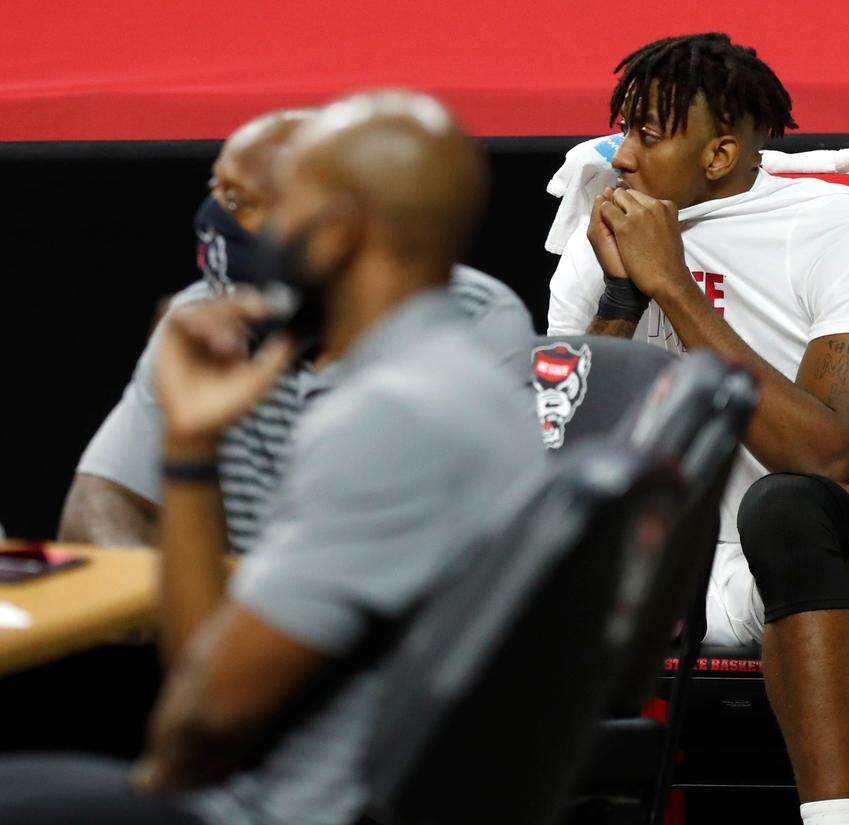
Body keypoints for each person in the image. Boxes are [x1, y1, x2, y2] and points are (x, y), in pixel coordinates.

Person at [0, 91, 541, 825]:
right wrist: (191, 449)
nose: (237, 230)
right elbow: (206, 679)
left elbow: (210, 713)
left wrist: (159, 785)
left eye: (277, 207)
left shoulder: (394, 412)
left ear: (336, 234)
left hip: (288, 800)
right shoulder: (451, 379)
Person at [547, 33, 849, 825]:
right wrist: (627, 296)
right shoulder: (597, 244)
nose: (622, 157)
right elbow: (562, 452)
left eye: (648, 135)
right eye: (622, 130)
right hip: (683, 562)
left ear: (719, 153)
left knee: (786, 506)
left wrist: (674, 284)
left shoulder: (840, 224)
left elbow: (826, 454)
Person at [60, 109, 536, 553]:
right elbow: (100, 499)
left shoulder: (469, 323)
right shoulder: (203, 317)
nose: (212, 220)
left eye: (237, 201)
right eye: (216, 190)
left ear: (333, 223)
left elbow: (480, 551)